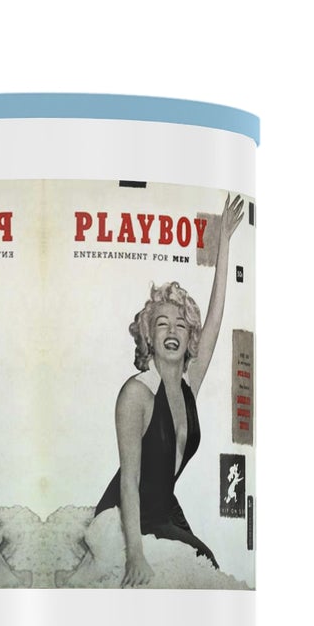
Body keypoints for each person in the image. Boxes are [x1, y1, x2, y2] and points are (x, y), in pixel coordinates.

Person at [90, 193, 246, 586]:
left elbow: (215, 318)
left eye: (181, 324)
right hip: (128, 514)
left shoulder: (189, 382)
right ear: (149, 335)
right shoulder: (136, 395)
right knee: (204, 566)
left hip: (164, 509)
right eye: (162, 323)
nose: (173, 331)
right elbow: (129, 481)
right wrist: (135, 556)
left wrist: (223, 242)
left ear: (190, 334)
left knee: (210, 566)